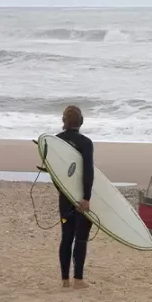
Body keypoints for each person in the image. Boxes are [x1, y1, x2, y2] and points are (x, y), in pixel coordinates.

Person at [56, 105, 95, 289]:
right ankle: (78, 280)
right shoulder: (86, 143)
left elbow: (55, 173)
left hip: (65, 197)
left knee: (66, 236)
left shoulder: (56, 141)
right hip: (80, 197)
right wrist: (86, 197)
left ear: (64, 121)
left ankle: (65, 279)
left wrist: (63, 191)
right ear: (81, 121)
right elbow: (88, 172)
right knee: (80, 237)